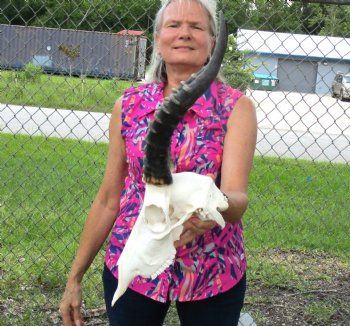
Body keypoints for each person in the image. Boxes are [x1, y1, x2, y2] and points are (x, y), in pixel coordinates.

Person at [59, 0, 257, 325]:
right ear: (158, 39)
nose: (185, 34)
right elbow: (109, 199)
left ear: (211, 42)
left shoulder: (236, 108)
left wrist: (213, 208)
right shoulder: (129, 106)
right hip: (136, 261)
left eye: (196, 27)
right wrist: (74, 278)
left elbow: (237, 197)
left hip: (212, 270)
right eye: (174, 25)